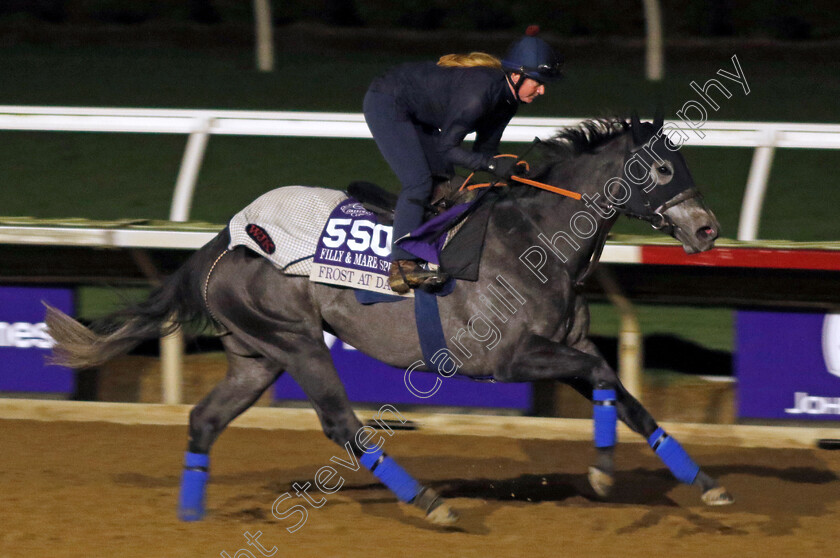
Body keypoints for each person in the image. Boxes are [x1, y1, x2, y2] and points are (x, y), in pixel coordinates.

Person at [362, 26, 563, 294]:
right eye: (537, 82)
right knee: (420, 181)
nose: (541, 91)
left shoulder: (508, 102)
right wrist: (492, 165)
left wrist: (511, 172)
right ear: (516, 76)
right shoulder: (478, 96)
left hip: (418, 113)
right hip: (387, 101)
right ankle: (401, 264)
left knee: (449, 183)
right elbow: (448, 148)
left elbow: (485, 150)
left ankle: (431, 246)